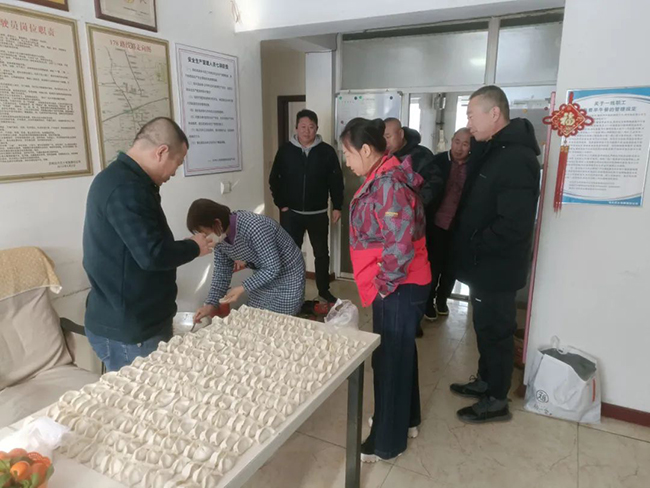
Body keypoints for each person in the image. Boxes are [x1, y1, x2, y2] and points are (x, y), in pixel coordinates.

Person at [83, 117, 213, 372]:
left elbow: (144, 246)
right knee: (145, 395)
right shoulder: (126, 188)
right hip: (131, 329)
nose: (174, 173)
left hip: (133, 318)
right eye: (177, 163)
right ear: (161, 152)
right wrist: (194, 248)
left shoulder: (122, 180)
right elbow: (151, 255)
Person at [450, 85, 541, 424]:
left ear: (494, 113)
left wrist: (476, 241)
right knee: (484, 327)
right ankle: (486, 381)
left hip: (497, 266)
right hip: (484, 264)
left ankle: (496, 400)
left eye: (472, 115)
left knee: (498, 332)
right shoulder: (493, 149)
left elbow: (513, 224)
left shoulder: (516, 158)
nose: (469, 123)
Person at [343, 117, 431, 462]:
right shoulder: (383, 175)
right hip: (402, 283)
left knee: (389, 361)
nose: (346, 161)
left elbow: (400, 246)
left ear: (366, 150)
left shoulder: (388, 184)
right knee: (400, 354)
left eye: (348, 153)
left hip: (399, 285)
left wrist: (383, 287)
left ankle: (386, 442)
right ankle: (406, 419)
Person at [269, 109, 344, 304]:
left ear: (316, 128)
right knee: (290, 253)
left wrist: (337, 206)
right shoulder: (286, 150)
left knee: (321, 254)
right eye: (303, 126)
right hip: (292, 214)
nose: (306, 131)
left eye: (311, 127)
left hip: (318, 213)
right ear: (296, 128)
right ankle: (291, 290)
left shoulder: (327, 151)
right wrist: (281, 204)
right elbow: (274, 179)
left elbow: (336, 180)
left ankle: (324, 290)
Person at [189, 199, 306, 320]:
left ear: (217, 223)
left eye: (205, 233)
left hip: (288, 275)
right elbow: (221, 273)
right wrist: (210, 304)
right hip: (262, 275)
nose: (205, 238)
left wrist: (243, 287)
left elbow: (272, 267)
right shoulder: (220, 239)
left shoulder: (254, 226)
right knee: (256, 317)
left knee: (281, 321)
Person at [384, 118, 444, 336]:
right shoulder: (384, 156)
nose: (385, 141)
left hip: (416, 226)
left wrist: (412, 207)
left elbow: (435, 185)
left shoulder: (421, 156)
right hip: (391, 228)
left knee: (415, 270)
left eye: (388, 136)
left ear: (401, 134)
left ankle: (415, 317)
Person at [424, 128, 473, 321]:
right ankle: (428, 301)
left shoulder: (475, 166)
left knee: (451, 267)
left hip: (459, 226)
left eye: (465, 144)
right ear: (451, 141)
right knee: (433, 266)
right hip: (436, 223)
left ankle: (442, 298)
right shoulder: (437, 161)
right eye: (457, 142)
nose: (459, 148)